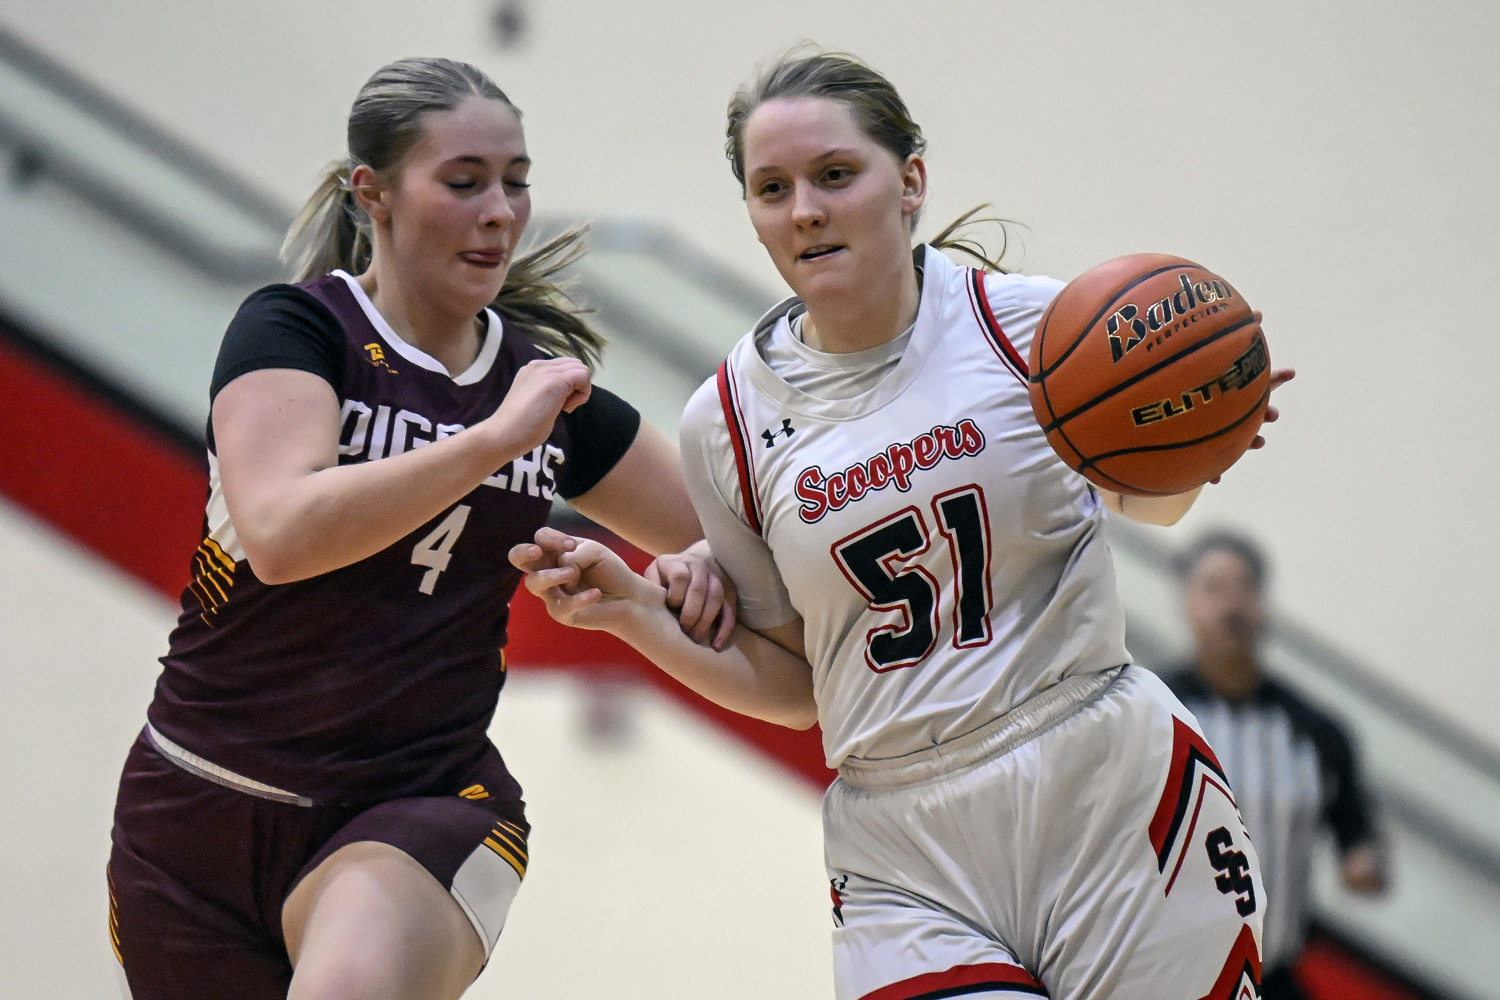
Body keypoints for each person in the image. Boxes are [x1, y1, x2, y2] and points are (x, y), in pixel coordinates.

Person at [512, 46, 1298, 1000]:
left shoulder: (1035, 329)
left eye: (835, 175)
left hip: (1104, 783)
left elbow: (1151, 502)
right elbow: (798, 686)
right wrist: (638, 612)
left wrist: (1197, 438)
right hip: (902, 843)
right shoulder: (724, 420)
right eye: (772, 188)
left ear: (910, 180)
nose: (804, 208)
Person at [105, 56, 731, 1000]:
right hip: (196, 810)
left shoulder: (544, 391)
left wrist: (697, 570)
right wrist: (490, 442)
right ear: (376, 193)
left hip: (421, 801)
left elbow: (737, 535)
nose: (500, 212)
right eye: (465, 182)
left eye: (516, 183)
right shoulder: (295, 329)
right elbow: (279, 533)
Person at [1163, 530, 1388, 1000]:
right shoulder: (1152, 717)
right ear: (1186, 605)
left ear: (1263, 604)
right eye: (1213, 588)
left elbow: (1359, 841)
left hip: (1275, 976)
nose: (1232, 605)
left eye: (1243, 587)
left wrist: (1366, 863)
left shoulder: (1316, 730)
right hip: (1169, 978)